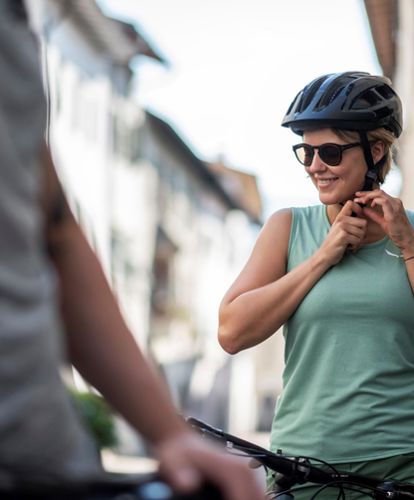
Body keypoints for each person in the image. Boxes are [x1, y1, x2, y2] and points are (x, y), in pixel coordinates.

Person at [0, 2, 264, 499]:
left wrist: (168, 433)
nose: (317, 164)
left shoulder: (17, 26)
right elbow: (232, 328)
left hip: (48, 460)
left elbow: (55, 231)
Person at [218, 71, 414, 499]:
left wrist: (407, 245)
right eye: (305, 152)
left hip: (401, 470)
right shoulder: (287, 227)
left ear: (375, 151)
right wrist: (323, 257)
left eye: (328, 152)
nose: (314, 166)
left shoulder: (412, 234)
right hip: (301, 468)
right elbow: (232, 332)